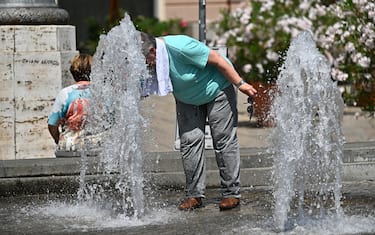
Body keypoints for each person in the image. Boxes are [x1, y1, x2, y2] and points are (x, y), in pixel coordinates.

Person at [141, 33, 257, 211]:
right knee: (189, 141)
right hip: (187, 98)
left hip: (217, 88)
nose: (145, 65)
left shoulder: (180, 46)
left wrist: (241, 84)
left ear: (153, 51)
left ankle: (231, 193)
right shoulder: (153, 59)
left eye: (145, 60)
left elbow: (218, 59)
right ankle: (194, 195)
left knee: (223, 139)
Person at [47, 54, 92, 151]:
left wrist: (58, 140)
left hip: (71, 145)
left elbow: (52, 124)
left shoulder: (65, 93)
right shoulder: (102, 91)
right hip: (98, 144)